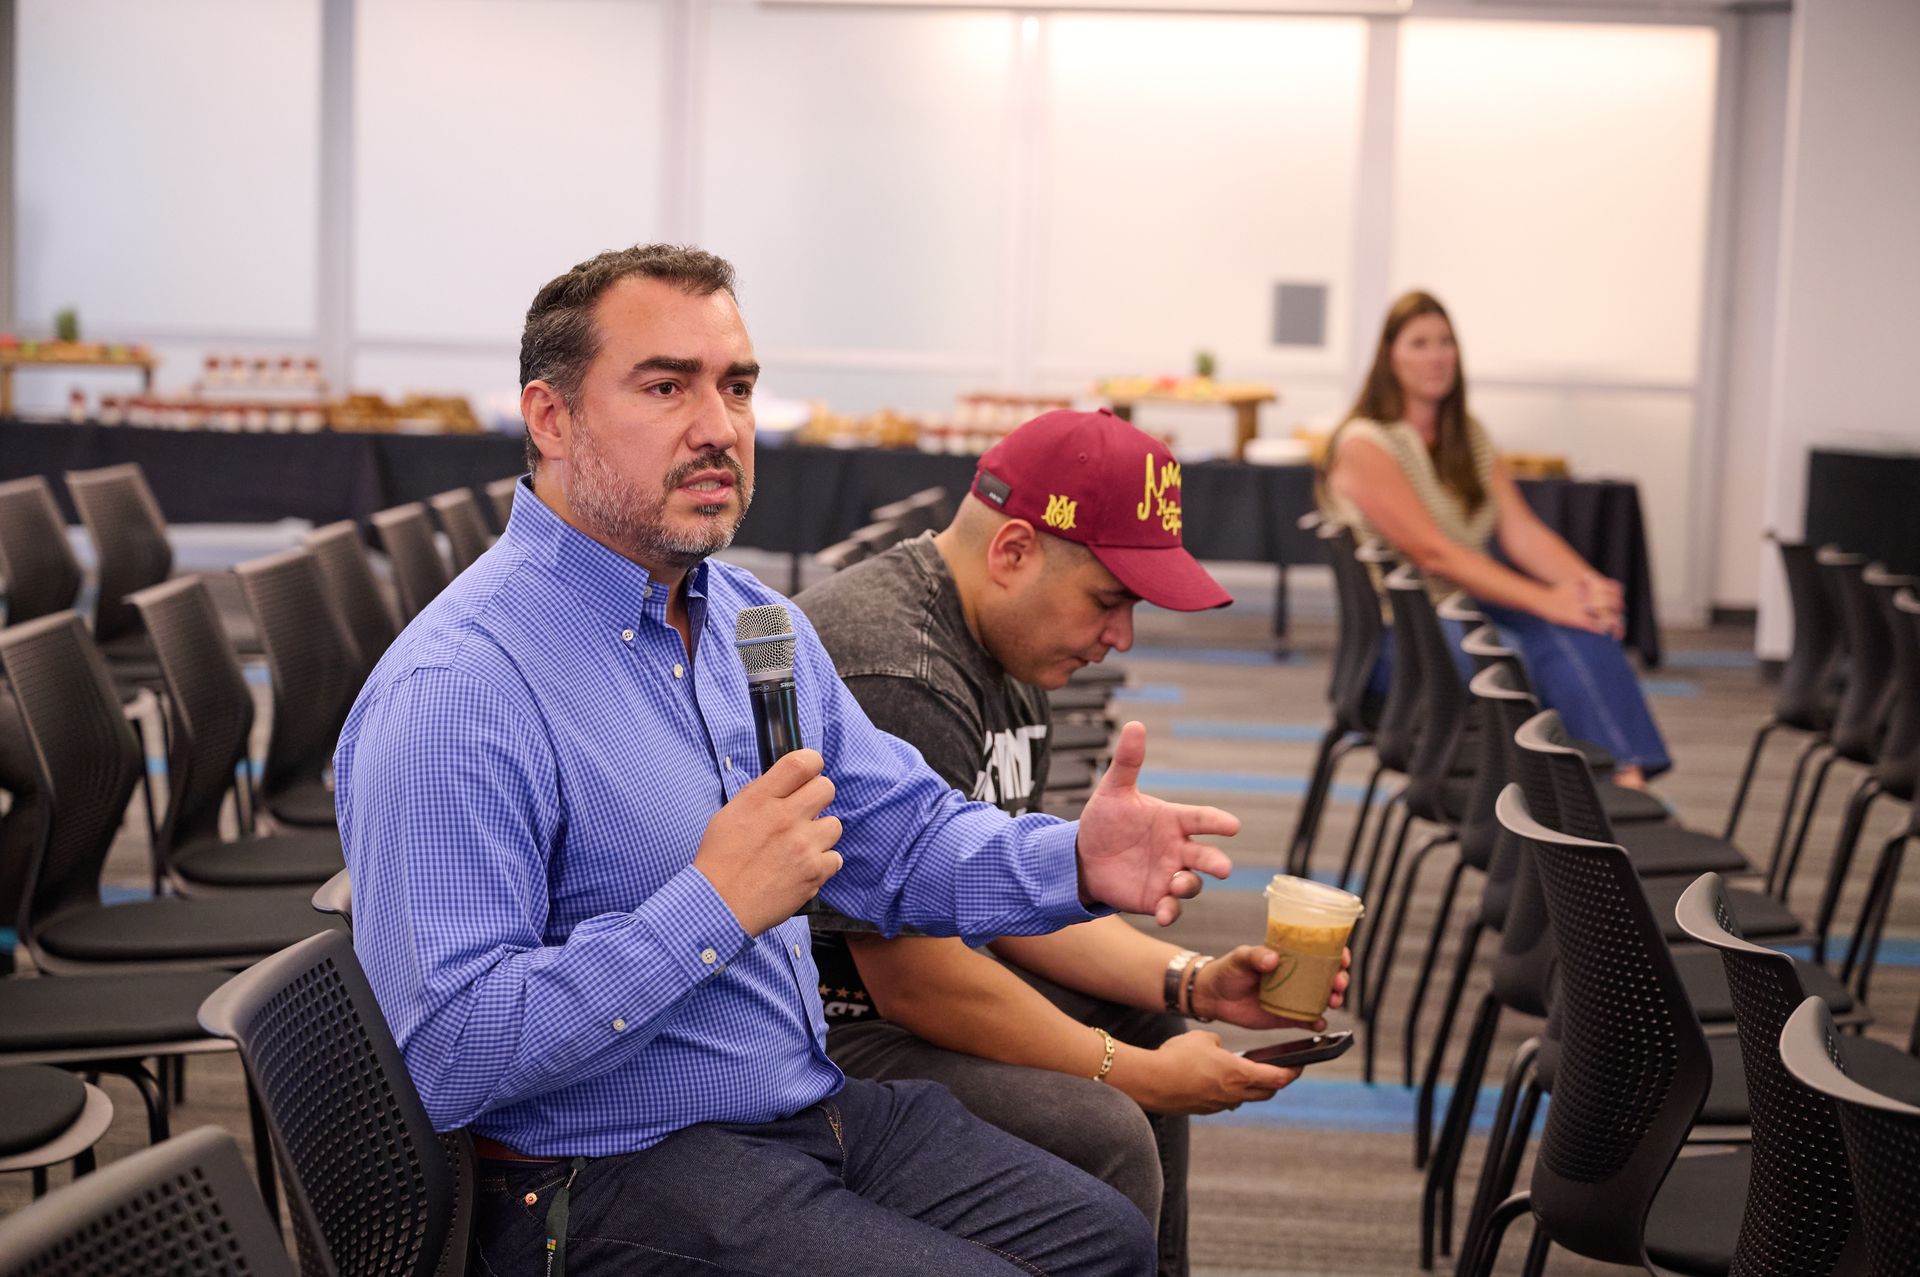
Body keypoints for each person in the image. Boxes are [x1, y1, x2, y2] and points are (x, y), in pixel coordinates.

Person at [335, 244, 1250, 1277]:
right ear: (551, 420)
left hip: (797, 1104)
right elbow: (446, 1056)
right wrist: (710, 906)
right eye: (666, 385)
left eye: (737, 386)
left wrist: (1071, 860)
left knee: (1104, 1237)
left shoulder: (751, 625)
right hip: (597, 1171)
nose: (719, 426)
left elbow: (905, 838)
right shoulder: (462, 688)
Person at [796, 408, 1346, 1277]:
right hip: (809, 1026)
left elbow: (1009, 897)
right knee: (1108, 1121)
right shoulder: (899, 673)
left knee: (1147, 1017)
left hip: (890, 989)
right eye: (1108, 599)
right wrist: (1135, 1075)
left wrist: (1194, 982)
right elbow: (915, 979)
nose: (1122, 635)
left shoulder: (1001, 645)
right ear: (1013, 552)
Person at [1322, 289, 1670, 783]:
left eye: (1445, 342)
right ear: (1388, 356)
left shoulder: (1467, 434)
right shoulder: (1365, 443)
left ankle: (1625, 782)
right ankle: (1561, 803)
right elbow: (1433, 553)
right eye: (1419, 343)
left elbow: (1522, 530)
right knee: (1515, 655)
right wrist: (1548, 599)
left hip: (1466, 607)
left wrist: (1586, 586)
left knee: (1582, 630)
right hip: (1403, 633)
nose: (1436, 356)